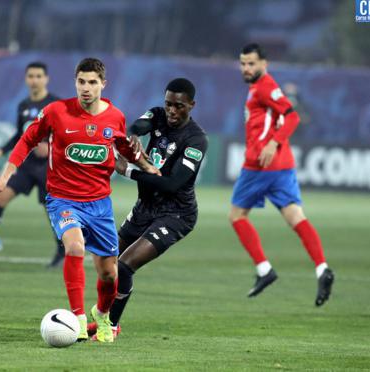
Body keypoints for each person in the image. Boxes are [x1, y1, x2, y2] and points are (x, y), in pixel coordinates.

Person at [0, 58, 156, 343]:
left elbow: (126, 147)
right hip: (63, 200)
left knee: (109, 276)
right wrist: (5, 177)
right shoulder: (56, 112)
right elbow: (27, 140)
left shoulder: (114, 117)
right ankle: (77, 319)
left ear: (103, 84)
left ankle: (102, 315)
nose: (86, 88)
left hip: (100, 205)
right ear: (75, 82)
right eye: (81, 82)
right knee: (75, 247)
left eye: (92, 82)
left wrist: (150, 168)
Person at [87, 78, 208, 340]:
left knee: (125, 266)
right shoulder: (158, 114)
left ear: (191, 105)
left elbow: (173, 183)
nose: (172, 111)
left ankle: (111, 325)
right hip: (145, 208)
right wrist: (132, 137)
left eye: (179, 106)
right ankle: (102, 316)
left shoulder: (196, 140)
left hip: (176, 214)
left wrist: (128, 170)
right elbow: (139, 124)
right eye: (168, 104)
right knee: (106, 262)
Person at [229, 43, 334, 306]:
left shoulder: (264, 87)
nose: (246, 68)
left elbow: (292, 117)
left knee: (237, 216)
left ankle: (264, 270)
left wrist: (273, 143)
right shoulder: (262, 87)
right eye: (243, 63)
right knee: (296, 217)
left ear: (265, 64)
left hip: (260, 166)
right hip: (282, 166)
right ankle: (322, 268)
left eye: (251, 63)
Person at [0, 61, 64, 266]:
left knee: (52, 210)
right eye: (31, 76)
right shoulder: (23, 105)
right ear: (26, 79)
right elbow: (20, 134)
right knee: (0, 199)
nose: (34, 80)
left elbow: (66, 135)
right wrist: (1, 150)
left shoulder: (56, 105)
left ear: (46, 79)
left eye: (38, 76)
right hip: (26, 165)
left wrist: (51, 147)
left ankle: (62, 253)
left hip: (49, 167)